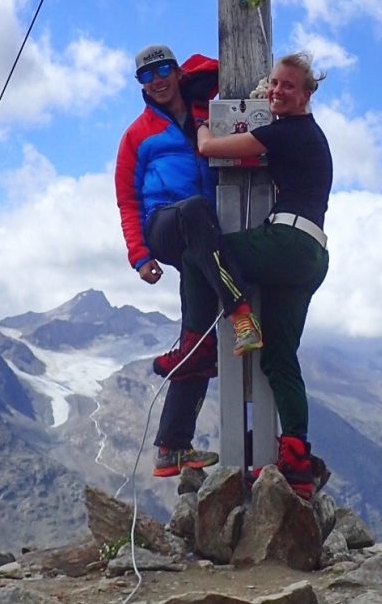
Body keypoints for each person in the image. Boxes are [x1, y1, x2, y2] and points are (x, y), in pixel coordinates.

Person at [190, 51, 332, 500]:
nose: (277, 92)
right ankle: (297, 465)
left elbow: (210, 148)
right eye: (273, 84)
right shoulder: (306, 136)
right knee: (280, 360)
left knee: (207, 248)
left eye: (288, 86)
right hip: (312, 254)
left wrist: (199, 119)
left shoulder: (286, 132)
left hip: (286, 241)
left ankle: (238, 317)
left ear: (308, 93)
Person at [115, 43, 249, 478]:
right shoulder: (138, 135)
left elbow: (219, 66)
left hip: (204, 239)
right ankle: (240, 309)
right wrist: (139, 256)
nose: (156, 81)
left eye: (164, 70)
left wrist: (195, 79)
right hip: (165, 225)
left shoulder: (203, 114)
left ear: (175, 71)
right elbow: (127, 200)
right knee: (192, 208)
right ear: (139, 86)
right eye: (146, 76)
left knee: (198, 339)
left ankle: (171, 448)